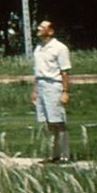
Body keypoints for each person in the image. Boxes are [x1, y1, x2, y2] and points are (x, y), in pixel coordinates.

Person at [31, 20, 72, 163]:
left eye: (43, 27)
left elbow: (65, 71)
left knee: (58, 120)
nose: (39, 28)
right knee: (48, 122)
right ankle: (54, 154)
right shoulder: (38, 48)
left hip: (54, 85)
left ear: (51, 30)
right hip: (41, 85)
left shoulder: (60, 48)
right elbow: (37, 71)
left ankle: (64, 154)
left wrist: (65, 91)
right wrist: (35, 90)